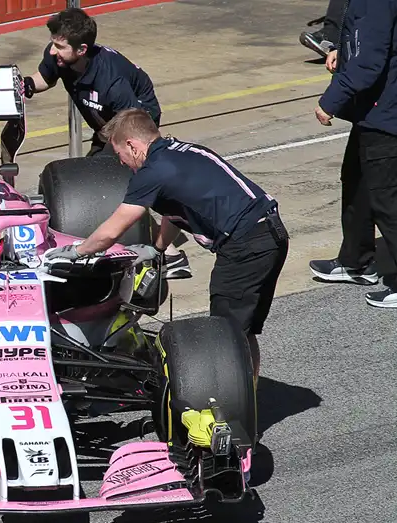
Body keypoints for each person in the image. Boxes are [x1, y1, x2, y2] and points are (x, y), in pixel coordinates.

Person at [45, 108, 289, 384]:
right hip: (271, 235)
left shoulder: (152, 172)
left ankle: (234, 408)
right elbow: (177, 211)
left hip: (245, 246)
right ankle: (248, 396)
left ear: (132, 146)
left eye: (120, 155)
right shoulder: (182, 152)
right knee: (242, 332)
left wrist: (76, 252)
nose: (122, 163)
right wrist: (156, 249)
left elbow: (113, 229)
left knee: (225, 338)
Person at [22, 7, 192, 280]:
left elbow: (136, 125)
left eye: (60, 47)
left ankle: (170, 255)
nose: (53, 52)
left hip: (133, 123)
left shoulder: (112, 81)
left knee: (110, 184)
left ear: (82, 50)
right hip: (106, 125)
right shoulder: (61, 55)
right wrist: (26, 85)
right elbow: (46, 77)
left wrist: (121, 151)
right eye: (53, 44)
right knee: (95, 181)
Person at [312, 0, 397, 308]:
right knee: (357, 179)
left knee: (387, 198)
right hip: (374, 110)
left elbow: (369, 60)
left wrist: (331, 100)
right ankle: (356, 261)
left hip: (385, 112)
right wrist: (339, 48)